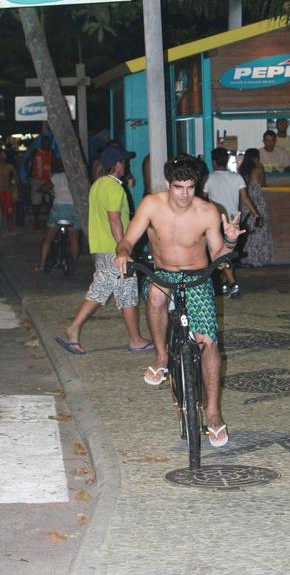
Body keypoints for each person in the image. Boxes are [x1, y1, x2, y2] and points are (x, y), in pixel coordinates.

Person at [115, 154, 246, 447]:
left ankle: (212, 413)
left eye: (190, 187)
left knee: (208, 342)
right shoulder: (151, 204)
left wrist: (231, 240)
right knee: (154, 293)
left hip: (197, 277)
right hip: (163, 274)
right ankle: (161, 356)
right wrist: (122, 252)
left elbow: (220, 260)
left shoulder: (207, 212)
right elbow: (127, 239)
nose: (185, 195)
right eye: (178, 187)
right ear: (167, 184)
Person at [56, 146, 152, 355]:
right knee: (101, 290)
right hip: (114, 250)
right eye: (124, 162)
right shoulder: (113, 188)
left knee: (125, 293)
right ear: (117, 165)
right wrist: (123, 249)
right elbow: (114, 219)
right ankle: (73, 329)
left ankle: (136, 339)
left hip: (104, 247)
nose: (126, 165)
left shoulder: (98, 185)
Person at [203, 147, 261, 298]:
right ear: (227, 160)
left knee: (220, 255)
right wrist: (256, 214)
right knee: (226, 255)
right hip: (234, 224)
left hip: (215, 223)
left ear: (214, 162)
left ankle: (232, 284)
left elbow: (202, 201)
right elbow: (245, 198)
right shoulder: (237, 178)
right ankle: (225, 284)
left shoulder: (208, 178)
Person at [35, 158, 81, 273]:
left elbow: (43, 188)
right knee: (73, 239)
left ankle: (41, 265)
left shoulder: (56, 177)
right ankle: (73, 265)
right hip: (73, 209)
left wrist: (45, 190)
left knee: (48, 238)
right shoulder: (76, 177)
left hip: (58, 209)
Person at [238, 148, 273, 267]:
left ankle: (247, 258)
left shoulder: (241, 170)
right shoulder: (259, 169)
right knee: (260, 228)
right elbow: (263, 184)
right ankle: (258, 259)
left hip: (245, 201)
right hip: (257, 201)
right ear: (256, 157)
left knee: (248, 230)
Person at [26, 135, 55, 228]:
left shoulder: (51, 152)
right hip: (36, 179)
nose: (47, 144)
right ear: (42, 142)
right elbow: (27, 162)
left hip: (49, 180)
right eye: (45, 142)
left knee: (51, 199)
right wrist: (28, 174)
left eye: (48, 142)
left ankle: (49, 220)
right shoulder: (35, 152)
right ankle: (36, 220)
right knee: (36, 201)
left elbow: (54, 164)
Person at [0, 149, 18, 232]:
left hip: (7, 191)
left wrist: (14, 188)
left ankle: (9, 228)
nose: (2, 156)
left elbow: (16, 177)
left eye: (2, 155)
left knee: (9, 211)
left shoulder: (9, 166)